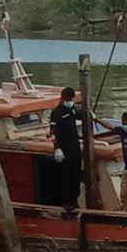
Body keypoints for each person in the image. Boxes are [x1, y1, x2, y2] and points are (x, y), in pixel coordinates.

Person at [48, 86, 83, 216]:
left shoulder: (72, 108)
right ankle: (66, 201)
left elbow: (79, 115)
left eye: (72, 99)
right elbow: (52, 132)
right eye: (69, 99)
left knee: (76, 174)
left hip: (74, 146)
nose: (71, 101)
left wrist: (88, 114)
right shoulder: (57, 112)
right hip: (64, 147)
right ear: (63, 99)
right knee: (65, 175)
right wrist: (56, 148)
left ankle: (74, 200)